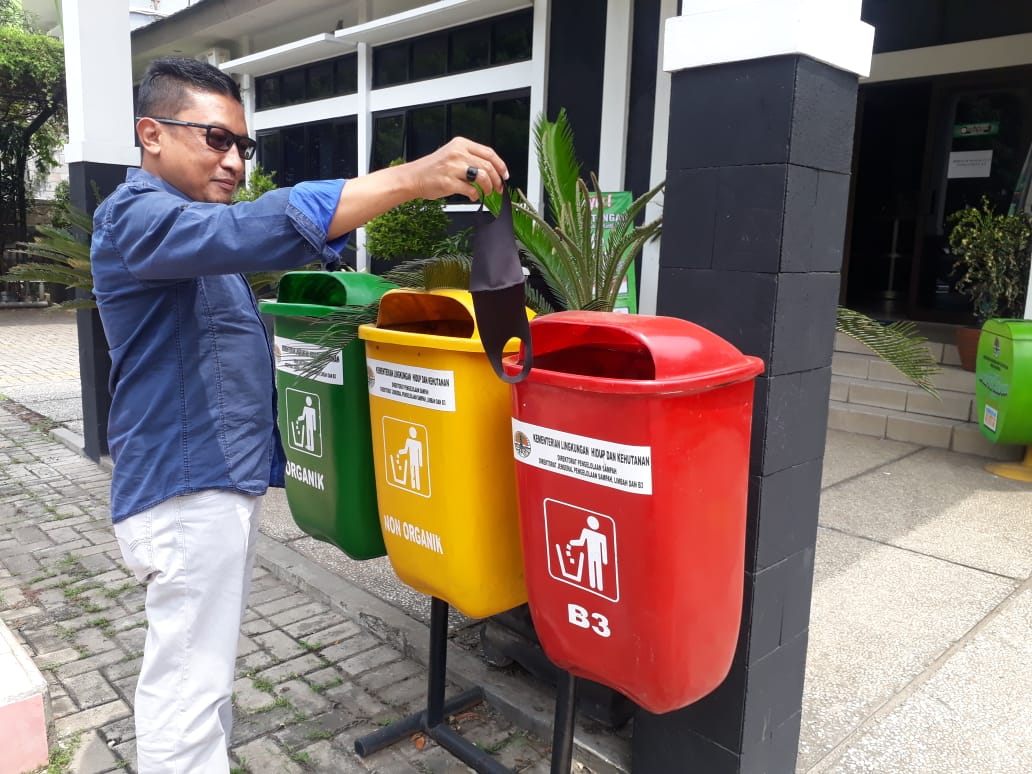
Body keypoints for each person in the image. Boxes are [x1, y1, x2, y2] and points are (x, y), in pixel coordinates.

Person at [90, 56, 508, 773]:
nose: (233, 161)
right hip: (184, 491)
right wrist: (409, 179)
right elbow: (251, 231)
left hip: (214, 487)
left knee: (202, 683)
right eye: (215, 138)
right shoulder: (139, 218)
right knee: (186, 694)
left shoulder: (190, 230)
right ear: (150, 134)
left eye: (243, 147)